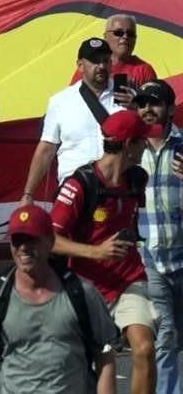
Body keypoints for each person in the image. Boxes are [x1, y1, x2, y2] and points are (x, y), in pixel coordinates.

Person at [50, 110, 159, 394]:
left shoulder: (137, 179)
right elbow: (49, 240)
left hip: (129, 279)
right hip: (86, 286)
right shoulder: (79, 184)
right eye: (141, 142)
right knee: (86, 367)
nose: (145, 147)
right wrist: (97, 252)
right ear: (127, 144)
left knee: (145, 348)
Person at [0, 205, 119, 394]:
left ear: (50, 242)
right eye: (17, 241)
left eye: (32, 240)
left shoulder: (83, 295)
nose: (23, 248)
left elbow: (105, 357)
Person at [22, 38, 120, 203]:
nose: (101, 66)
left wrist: (133, 106)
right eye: (95, 61)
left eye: (105, 61)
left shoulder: (126, 95)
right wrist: (28, 194)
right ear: (80, 65)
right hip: (74, 190)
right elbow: (47, 149)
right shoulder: (60, 101)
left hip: (115, 189)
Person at [134, 80, 183, 394]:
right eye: (142, 103)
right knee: (165, 335)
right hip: (150, 257)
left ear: (170, 109)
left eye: (154, 103)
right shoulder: (129, 148)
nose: (147, 110)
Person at [68, 14, 157, 90]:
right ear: (106, 36)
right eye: (118, 33)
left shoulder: (144, 70)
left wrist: (135, 100)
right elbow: (72, 100)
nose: (125, 37)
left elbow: (154, 106)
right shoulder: (89, 67)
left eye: (130, 34)